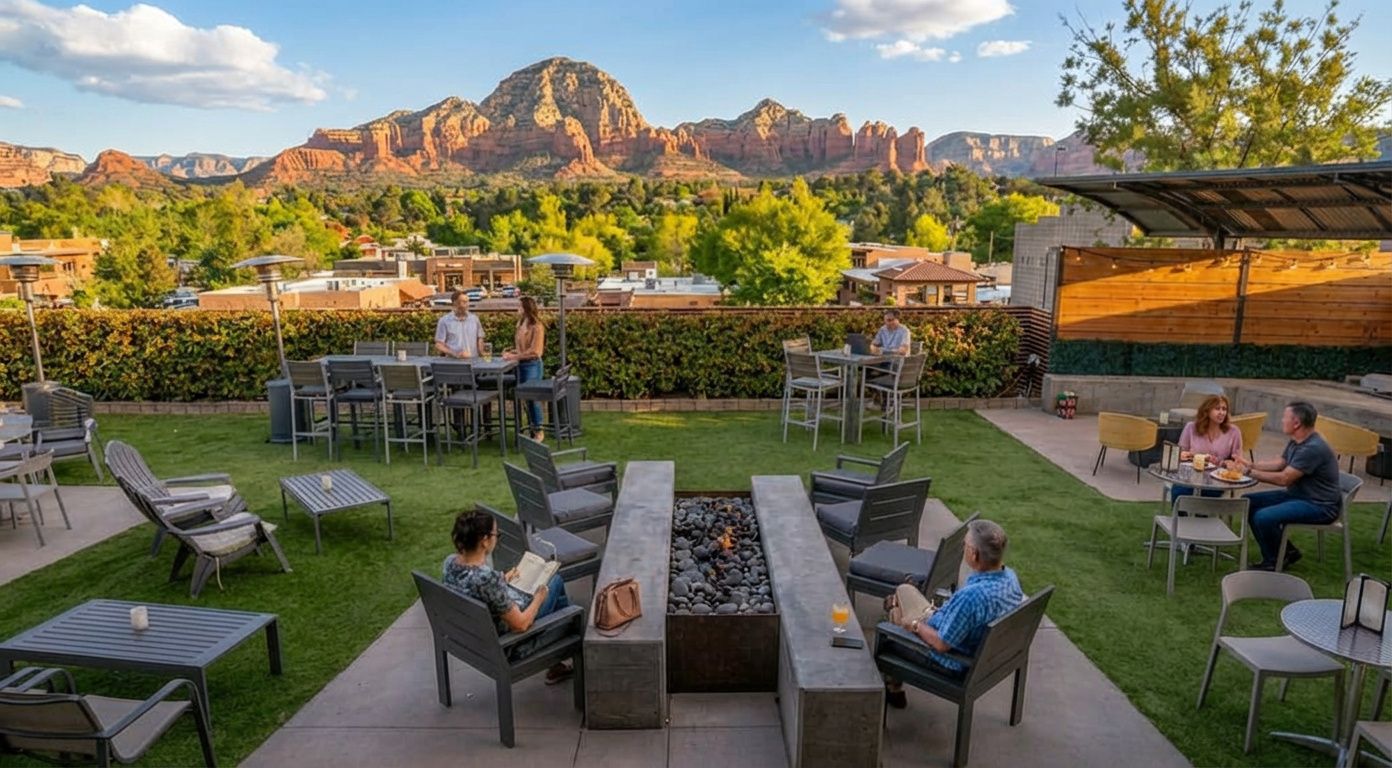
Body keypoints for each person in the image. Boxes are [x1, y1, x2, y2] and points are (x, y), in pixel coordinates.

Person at [884, 519, 1024, 709]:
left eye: (964, 544)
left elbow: (942, 644)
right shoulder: (1010, 578)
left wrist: (916, 625)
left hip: (951, 662)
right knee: (904, 591)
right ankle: (894, 687)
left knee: (894, 622)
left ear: (974, 554)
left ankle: (894, 686)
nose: (963, 547)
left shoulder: (972, 597)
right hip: (974, 647)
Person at [442, 509, 574, 682]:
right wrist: (539, 598)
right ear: (484, 541)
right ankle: (563, 640)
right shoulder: (486, 579)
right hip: (507, 646)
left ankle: (557, 660)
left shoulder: (450, 562)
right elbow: (521, 624)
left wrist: (502, 578)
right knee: (555, 582)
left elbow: (472, 587)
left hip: (470, 639)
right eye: (496, 534)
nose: (497, 538)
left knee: (557, 599)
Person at [1230, 401, 1343, 571]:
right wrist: (1251, 465)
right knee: (1248, 501)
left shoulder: (1312, 448)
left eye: (1285, 417)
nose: (1282, 420)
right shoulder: (1298, 440)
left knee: (1264, 517)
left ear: (1296, 423)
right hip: (1300, 495)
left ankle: (1274, 561)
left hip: (1320, 505)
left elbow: (1284, 479)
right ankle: (1287, 551)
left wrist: (1246, 472)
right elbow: (1280, 463)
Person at [1172, 394, 1243, 500]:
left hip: (1217, 480)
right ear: (1207, 411)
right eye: (1217, 409)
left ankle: (1201, 515)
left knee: (1203, 497)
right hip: (1191, 476)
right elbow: (1179, 454)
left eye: (1224, 409)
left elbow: (1238, 462)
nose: (1221, 413)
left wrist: (1225, 463)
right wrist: (1189, 456)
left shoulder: (1233, 432)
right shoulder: (1191, 428)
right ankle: (1181, 516)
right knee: (1178, 491)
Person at [504, 296, 546, 442]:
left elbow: (536, 351)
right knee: (526, 400)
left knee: (533, 398)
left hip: (533, 365)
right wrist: (512, 353)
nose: (517, 308)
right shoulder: (521, 323)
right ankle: (531, 428)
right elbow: (521, 348)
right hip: (521, 365)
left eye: (519, 305)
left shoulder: (537, 326)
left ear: (526, 308)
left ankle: (539, 430)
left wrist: (515, 357)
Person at [434, 288, 484, 359]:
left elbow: (480, 338)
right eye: (464, 302)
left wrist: (483, 355)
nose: (467, 305)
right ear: (455, 303)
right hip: (452, 362)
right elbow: (439, 344)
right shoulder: (444, 321)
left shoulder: (474, 319)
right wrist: (455, 354)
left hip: (474, 361)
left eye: (467, 302)